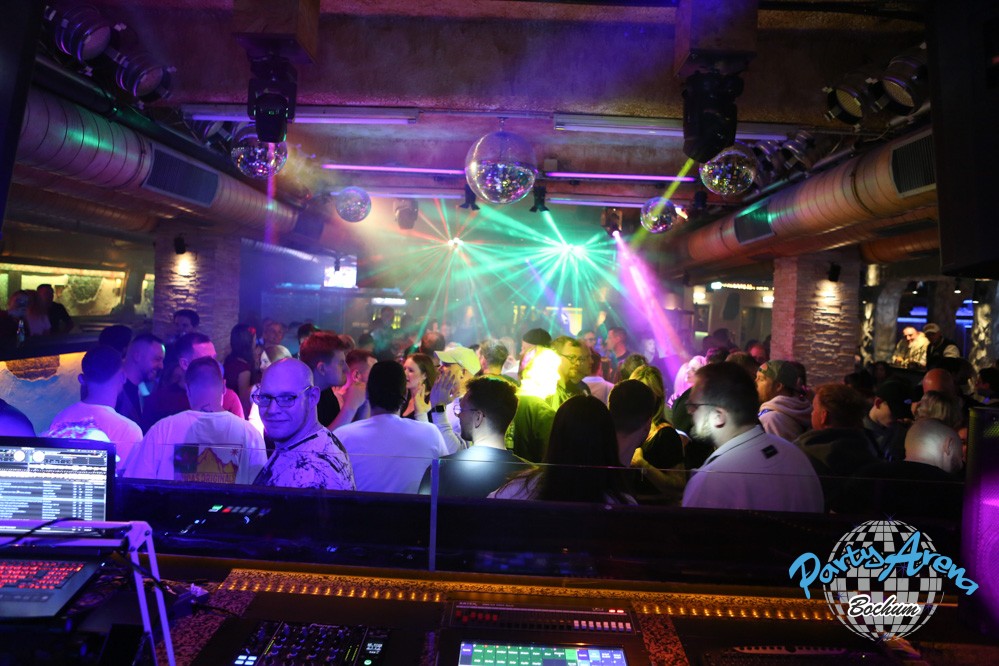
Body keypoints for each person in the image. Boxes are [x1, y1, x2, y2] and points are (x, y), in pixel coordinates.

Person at [682, 362, 824, 513]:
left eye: (693, 405)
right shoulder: (795, 455)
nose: (689, 411)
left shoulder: (710, 480)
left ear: (718, 416)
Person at [125, 357, 266, 483]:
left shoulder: (163, 429)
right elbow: (261, 490)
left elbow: (136, 483)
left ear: (187, 389)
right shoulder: (249, 433)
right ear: (224, 387)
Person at [491, 395, 634, 504]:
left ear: (556, 437)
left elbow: (487, 512)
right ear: (608, 442)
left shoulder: (519, 489)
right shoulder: (622, 505)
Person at [336, 361, 447, 493]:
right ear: (405, 395)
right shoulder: (430, 433)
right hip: (414, 507)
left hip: (358, 507)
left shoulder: (342, 437)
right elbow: (446, 482)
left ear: (367, 394)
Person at [419, 376, 530, 497]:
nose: (458, 415)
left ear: (478, 417)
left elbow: (423, 508)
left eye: (462, 409)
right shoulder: (529, 475)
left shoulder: (440, 470)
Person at [253, 358, 355, 490]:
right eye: (265, 397)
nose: (272, 410)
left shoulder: (311, 473)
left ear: (313, 397)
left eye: (287, 398)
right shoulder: (308, 443)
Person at [842, 418, 964, 521]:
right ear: (949, 445)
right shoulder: (954, 489)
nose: (961, 461)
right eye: (960, 450)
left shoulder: (868, 475)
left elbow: (839, 518)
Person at [47, 345, 143, 469]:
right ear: (123, 377)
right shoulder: (129, 430)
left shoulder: (61, 418)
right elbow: (127, 478)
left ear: (81, 379)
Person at [795, 383, 880, 511]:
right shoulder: (870, 450)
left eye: (814, 409)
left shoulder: (800, 453)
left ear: (824, 416)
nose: (811, 414)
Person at [142, 332, 244, 430]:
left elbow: (241, 437)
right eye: (206, 360)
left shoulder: (229, 398)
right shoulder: (158, 401)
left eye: (214, 358)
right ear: (184, 364)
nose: (214, 365)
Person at [298, 331, 366, 430]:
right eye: (341, 363)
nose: (347, 369)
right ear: (322, 368)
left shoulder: (326, 393)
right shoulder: (301, 401)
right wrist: (350, 406)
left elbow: (346, 435)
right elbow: (320, 439)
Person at [422, 345, 482, 454]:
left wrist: (438, 408)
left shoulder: (474, 407)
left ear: (463, 373)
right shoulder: (445, 399)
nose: (440, 368)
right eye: (441, 364)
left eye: (446, 364)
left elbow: (459, 453)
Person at [115, 333, 165, 428]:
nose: (161, 366)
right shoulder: (114, 391)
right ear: (137, 356)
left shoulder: (145, 389)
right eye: (157, 359)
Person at [756, 360, 812, 441]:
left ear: (778, 386)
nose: (755, 382)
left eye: (761, 379)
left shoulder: (770, 419)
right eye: (756, 378)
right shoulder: (807, 409)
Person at [546, 336, 591, 410]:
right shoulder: (546, 391)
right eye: (572, 357)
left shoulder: (579, 390)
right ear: (555, 356)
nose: (577, 363)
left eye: (579, 358)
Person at [224, 323, 259, 418]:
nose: (255, 343)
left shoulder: (230, 359)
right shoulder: (243, 369)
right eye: (255, 340)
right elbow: (243, 399)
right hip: (236, 414)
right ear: (248, 343)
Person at [335, 348, 377, 421]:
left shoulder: (373, 404)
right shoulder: (333, 403)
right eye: (374, 373)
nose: (378, 378)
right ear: (356, 375)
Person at [402, 353, 437, 418]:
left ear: (425, 375)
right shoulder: (403, 396)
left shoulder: (432, 400)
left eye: (411, 370)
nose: (405, 373)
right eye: (404, 369)